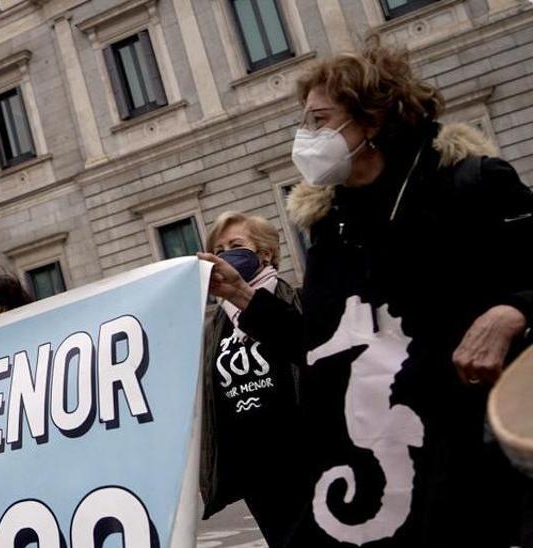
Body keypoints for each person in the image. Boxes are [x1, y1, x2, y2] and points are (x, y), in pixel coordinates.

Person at [200, 41, 532, 546]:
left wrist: (510, 312)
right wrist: (245, 297)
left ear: (372, 119)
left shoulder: (471, 184)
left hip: (461, 459)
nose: (306, 137)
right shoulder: (329, 227)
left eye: (320, 120)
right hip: (363, 462)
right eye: (304, 121)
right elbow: (322, 346)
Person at [198, 212, 307, 547]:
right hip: (253, 470)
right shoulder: (214, 327)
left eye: (236, 245)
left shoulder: (297, 302)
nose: (226, 253)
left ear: (265, 253)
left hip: (302, 458)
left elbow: (307, 353)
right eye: (219, 248)